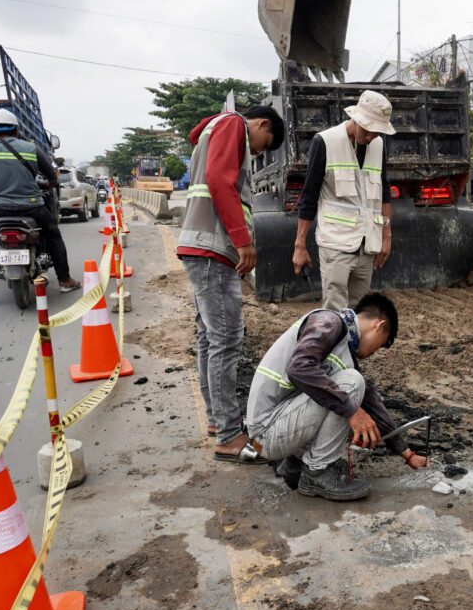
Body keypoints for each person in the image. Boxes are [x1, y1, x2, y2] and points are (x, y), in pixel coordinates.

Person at [177, 105, 285, 461]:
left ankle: (217, 420)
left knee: (210, 337)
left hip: (201, 245)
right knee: (226, 339)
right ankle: (227, 435)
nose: (256, 153)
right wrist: (242, 240)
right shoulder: (233, 125)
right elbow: (220, 182)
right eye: (262, 145)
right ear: (262, 124)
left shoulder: (212, 131)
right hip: (213, 248)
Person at [245, 293, 428, 500]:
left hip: (274, 431)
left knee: (350, 394)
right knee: (351, 388)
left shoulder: (344, 351)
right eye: (380, 345)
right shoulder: (329, 322)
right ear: (379, 325)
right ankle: (318, 472)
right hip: (265, 433)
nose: (373, 353)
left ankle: (295, 465)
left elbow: (373, 406)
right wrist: (352, 411)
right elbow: (299, 368)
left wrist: (407, 454)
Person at [292, 90, 395, 311]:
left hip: (367, 244)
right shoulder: (325, 142)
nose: (371, 137)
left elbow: (384, 191)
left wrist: (386, 235)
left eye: (377, 133)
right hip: (336, 244)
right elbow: (309, 197)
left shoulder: (377, 145)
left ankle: (350, 347)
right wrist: (300, 245)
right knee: (334, 310)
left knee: (357, 309)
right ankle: (332, 346)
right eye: (368, 131)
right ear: (356, 119)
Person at [0, 109, 81, 300]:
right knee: (54, 236)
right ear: (16, 130)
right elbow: (51, 176)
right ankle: (64, 279)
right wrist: (50, 183)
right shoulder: (31, 148)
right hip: (32, 206)